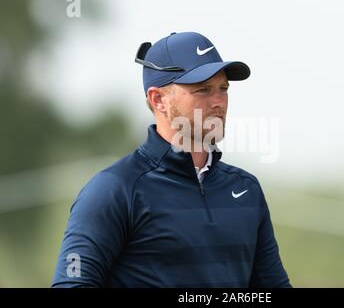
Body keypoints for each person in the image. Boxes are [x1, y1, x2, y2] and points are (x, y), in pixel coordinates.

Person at [51, 32, 291, 288]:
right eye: (203, 90)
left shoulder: (246, 189)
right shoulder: (114, 190)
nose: (219, 102)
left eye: (223, 89)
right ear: (158, 100)